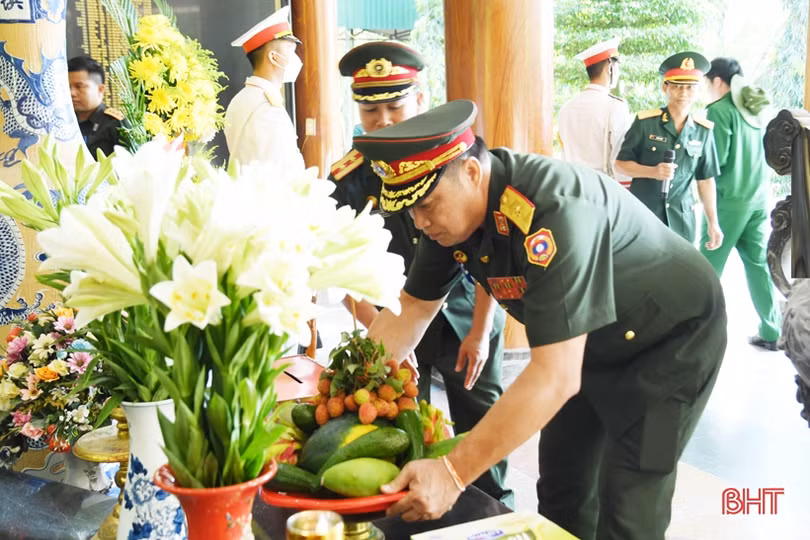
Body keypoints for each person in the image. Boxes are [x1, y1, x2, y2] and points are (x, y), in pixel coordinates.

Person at [352, 100, 727, 540]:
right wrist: (348, 389)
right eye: (412, 210)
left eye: (428, 205)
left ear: (470, 172)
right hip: (585, 345)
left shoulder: (554, 209)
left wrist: (452, 473)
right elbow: (413, 308)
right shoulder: (447, 217)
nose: (420, 222)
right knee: (563, 492)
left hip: (672, 344)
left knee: (632, 503)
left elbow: (555, 377)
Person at [328, 42, 512, 506]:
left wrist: (481, 331)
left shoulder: (454, 157)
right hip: (396, 318)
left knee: (482, 430)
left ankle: (496, 514)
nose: (384, 120)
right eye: (371, 111)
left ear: (421, 100)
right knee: (409, 433)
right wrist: (384, 334)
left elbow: (490, 249)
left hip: (468, 313)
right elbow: (341, 270)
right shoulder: (348, 179)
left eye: (395, 106)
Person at [703, 58, 781, 351]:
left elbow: (716, 161)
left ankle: (692, 330)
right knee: (758, 264)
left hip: (729, 202)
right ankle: (772, 331)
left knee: (705, 267)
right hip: (758, 199)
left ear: (717, 81)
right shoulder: (753, 108)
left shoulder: (719, 111)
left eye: (707, 82)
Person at [615, 52, 724, 249]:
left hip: (681, 220)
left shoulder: (703, 131)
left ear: (698, 90)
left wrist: (713, 223)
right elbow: (621, 164)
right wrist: (652, 172)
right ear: (665, 87)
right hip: (644, 215)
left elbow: (706, 180)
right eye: (677, 86)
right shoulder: (645, 123)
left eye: (690, 87)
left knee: (681, 268)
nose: (683, 93)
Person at [225, 5, 305, 174]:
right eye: (291, 51)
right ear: (273, 57)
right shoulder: (266, 107)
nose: (295, 57)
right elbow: (279, 172)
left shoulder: (243, 99)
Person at [558, 37, 632, 186]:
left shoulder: (566, 108)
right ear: (610, 68)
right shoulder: (615, 106)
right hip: (603, 188)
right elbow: (621, 159)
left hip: (573, 186)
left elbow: (564, 156)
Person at [67, 56, 126, 158]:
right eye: (68, 87)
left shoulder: (117, 124)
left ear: (100, 90)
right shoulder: (65, 122)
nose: (72, 93)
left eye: (79, 86)